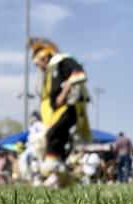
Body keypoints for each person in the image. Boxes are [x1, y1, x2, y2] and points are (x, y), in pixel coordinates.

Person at [29, 38, 92, 187]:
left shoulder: (62, 61)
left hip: (69, 108)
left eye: (39, 63)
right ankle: (61, 178)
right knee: (57, 139)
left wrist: (64, 93)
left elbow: (79, 73)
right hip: (58, 111)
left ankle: (55, 172)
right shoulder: (50, 71)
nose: (40, 68)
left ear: (45, 57)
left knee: (53, 135)